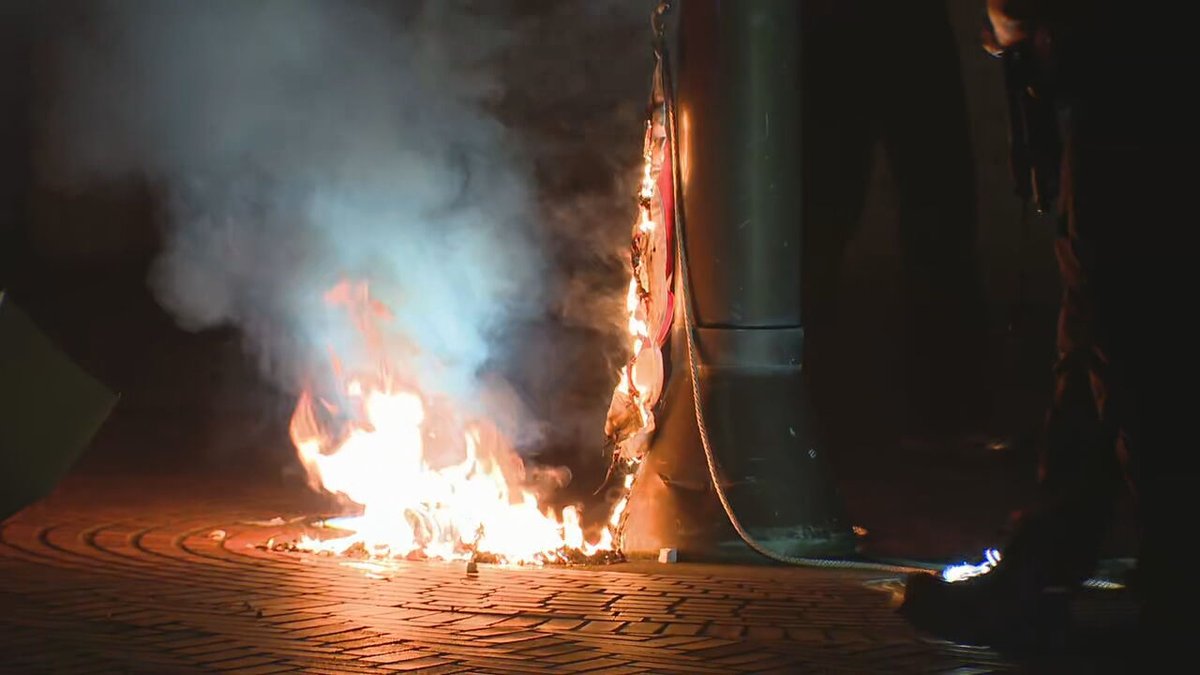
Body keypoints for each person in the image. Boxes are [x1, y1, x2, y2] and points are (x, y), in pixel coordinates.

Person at [901, 0, 1198, 654]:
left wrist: (1023, 19)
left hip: (1132, 82)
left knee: (1125, 339)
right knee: (1109, 336)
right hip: (1133, 76)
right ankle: (1056, 570)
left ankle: (1158, 588)